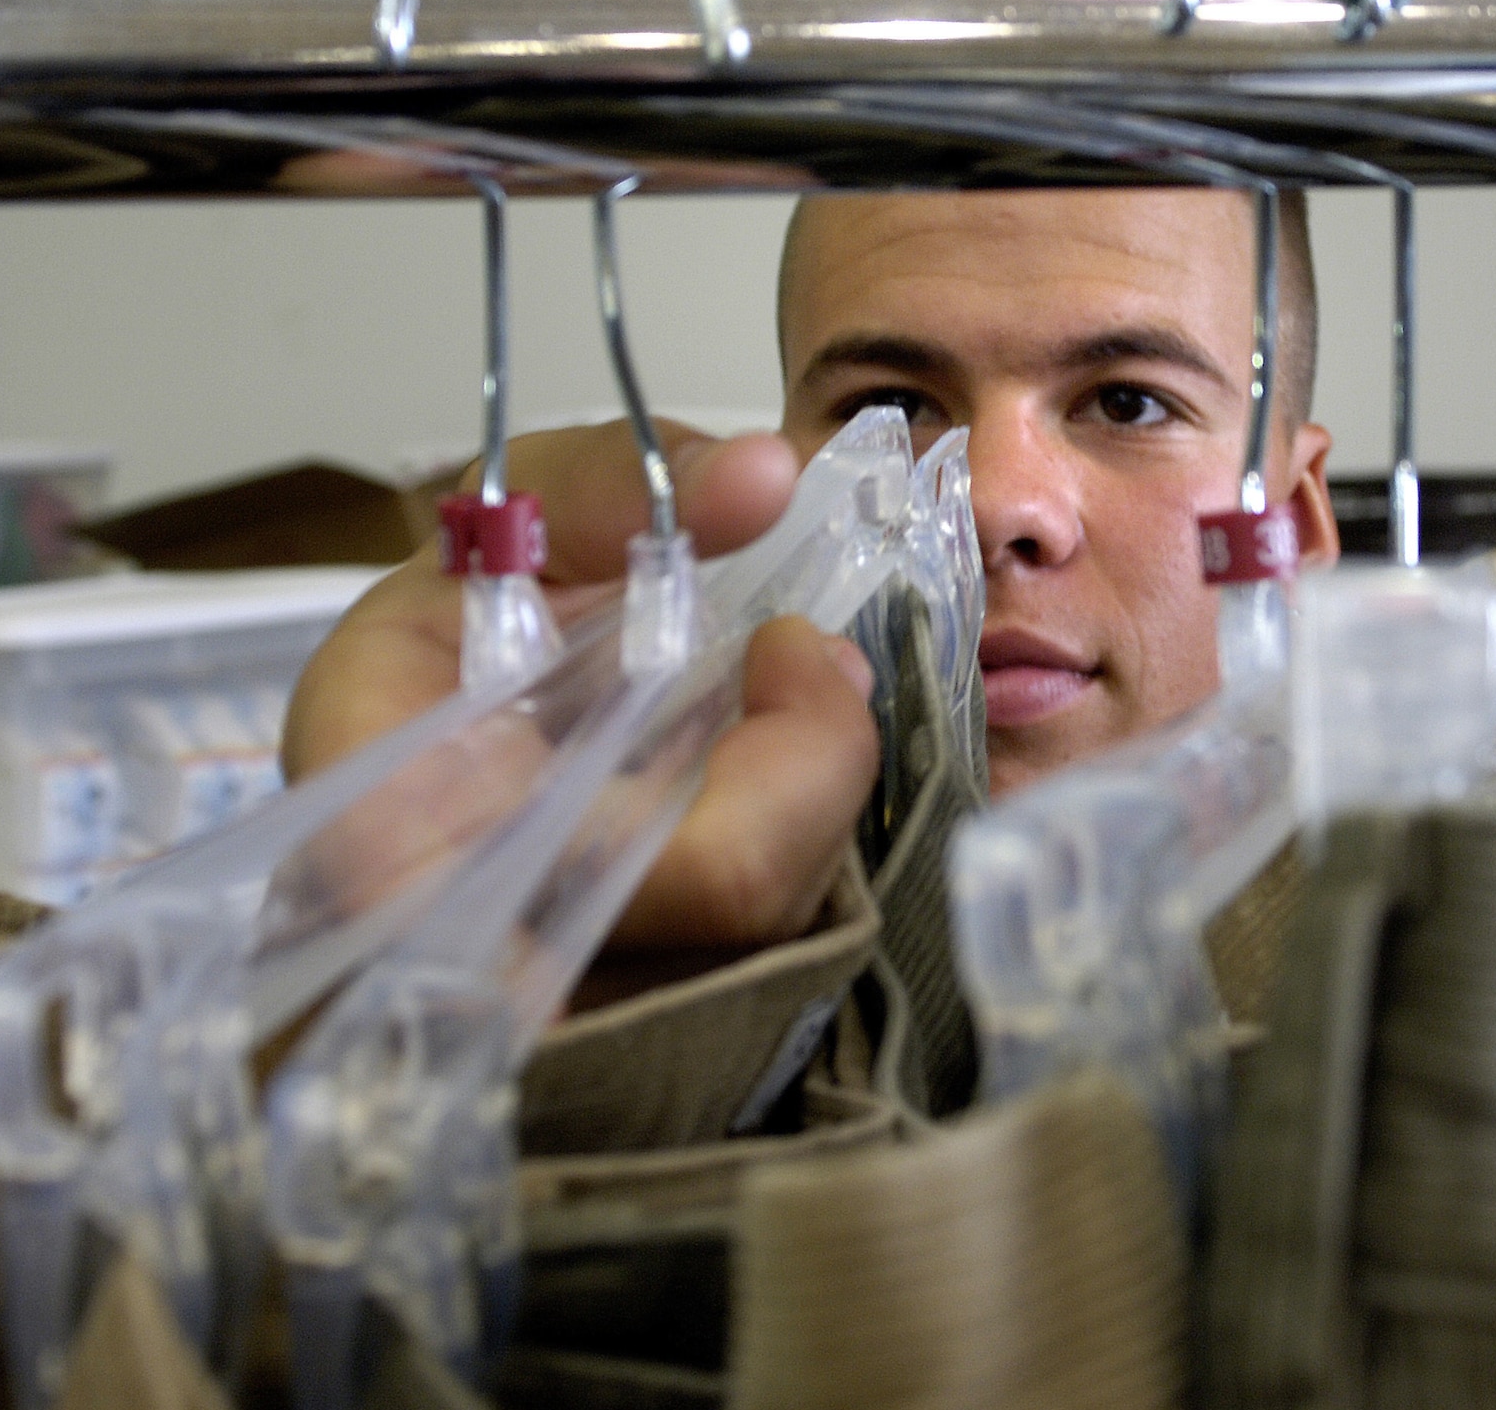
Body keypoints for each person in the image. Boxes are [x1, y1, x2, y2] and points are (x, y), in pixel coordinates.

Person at [282, 184, 1339, 952]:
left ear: (1290, 524)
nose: (991, 502)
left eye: (1125, 402)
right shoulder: (635, 893)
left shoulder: (1451, 975)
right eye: (890, 407)